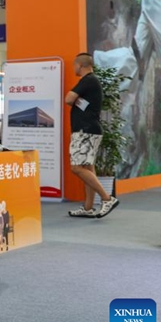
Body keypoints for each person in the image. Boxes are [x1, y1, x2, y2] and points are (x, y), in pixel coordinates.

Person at [65, 52, 119, 218]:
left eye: (75, 65)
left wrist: (75, 99)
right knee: (87, 168)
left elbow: (68, 98)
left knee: (77, 167)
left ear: (80, 65)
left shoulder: (88, 80)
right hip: (89, 130)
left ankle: (107, 198)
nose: (74, 68)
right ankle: (88, 208)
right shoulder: (92, 82)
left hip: (85, 131)